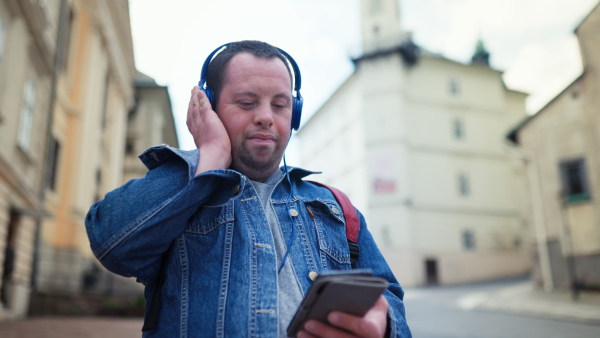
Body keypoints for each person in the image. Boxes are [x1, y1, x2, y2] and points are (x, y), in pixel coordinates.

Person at [85, 40, 411, 338]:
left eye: (281, 105)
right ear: (209, 107)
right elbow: (111, 241)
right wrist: (211, 154)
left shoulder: (335, 207)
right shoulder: (183, 194)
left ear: (294, 115)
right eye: (246, 102)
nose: (266, 117)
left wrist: (383, 327)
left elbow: (390, 298)